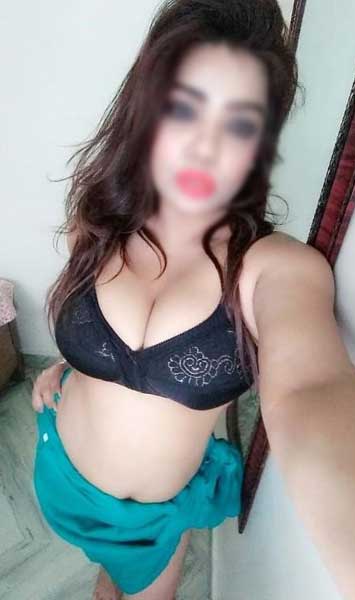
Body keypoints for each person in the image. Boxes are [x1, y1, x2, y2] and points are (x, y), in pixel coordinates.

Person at [31, 1, 298, 598]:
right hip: (63, 476)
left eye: (239, 124)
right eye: (183, 109)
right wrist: (62, 367)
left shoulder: (271, 267)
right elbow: (88, 332)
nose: (204, 147)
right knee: (106, 584)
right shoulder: (95, 225)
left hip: (154, 521)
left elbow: (319, 386)